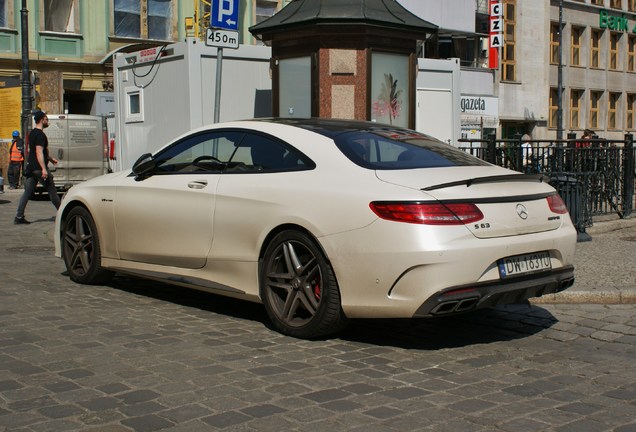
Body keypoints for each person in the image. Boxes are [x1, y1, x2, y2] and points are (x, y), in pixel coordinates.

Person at [14, 111, 61, 225]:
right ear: (41, 120)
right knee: (52, 192)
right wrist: (44, 169)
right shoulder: (40, 135)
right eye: (46, 118)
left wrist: (50, 159)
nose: (47, 120)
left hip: (32, 168)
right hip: (38, 169)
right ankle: (63, 215)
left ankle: (19, 216)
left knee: (27, 193)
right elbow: (39, 152)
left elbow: (37, 151)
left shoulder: (33, 133)